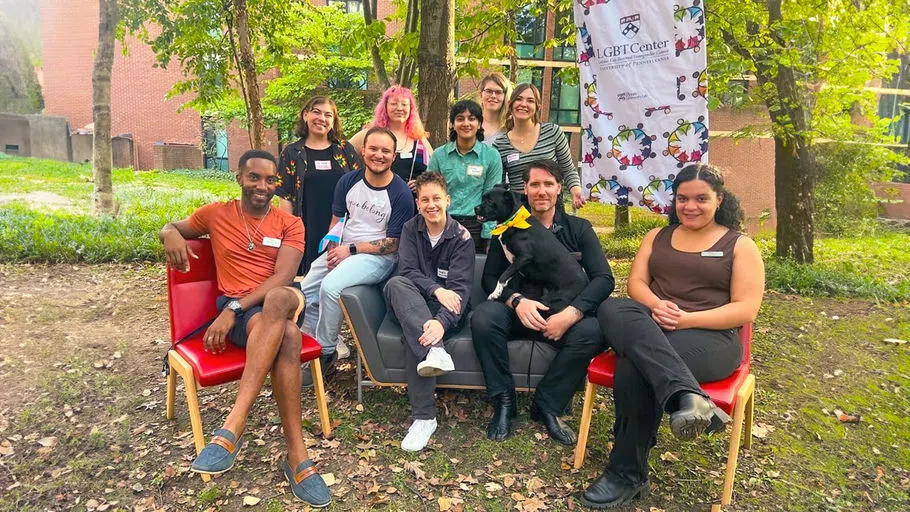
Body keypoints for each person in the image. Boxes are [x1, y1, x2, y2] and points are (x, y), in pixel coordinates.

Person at [580, 164, 765, 509]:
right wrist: (657, 305)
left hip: (711, 339)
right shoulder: (656, 237)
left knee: (634, 366)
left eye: (700, 199)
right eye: (682, 198)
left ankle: (626, 474)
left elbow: (745, 310)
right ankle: (686, 395)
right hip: (652, 326)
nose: (690, 206)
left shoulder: (739, 246)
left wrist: (687, 318)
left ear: (719, 199)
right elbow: (636, 285)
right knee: (610, 307)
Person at [159, 150, 330, 507]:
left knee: (279, 300)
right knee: (289, 336)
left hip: (275, 301)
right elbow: (176, 227)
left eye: (269, 180)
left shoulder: (289, 222)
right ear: (239, 177)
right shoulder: (215, 214)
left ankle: (234, 424)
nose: (262, 186)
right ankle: (297, 457)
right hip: (245, 314)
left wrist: (234, 307)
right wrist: (168, 233)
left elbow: (283, 277)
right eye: (254, 177)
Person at [471, 159, 614, 445]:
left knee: (594, 332)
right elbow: (490, 278)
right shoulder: (508, 227)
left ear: (559, 188)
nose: (542, 191)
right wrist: (516, 300)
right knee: (483, 318)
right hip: (519, 312)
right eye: (534, 184)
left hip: (560, 314)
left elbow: (603, 279)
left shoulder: (579, 229)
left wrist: (571, 315)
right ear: (524, 189)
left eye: (549, 184)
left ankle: (547, 405)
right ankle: (504, 402)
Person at [298, 127, 416, 386]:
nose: (379, 155)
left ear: (394, 156)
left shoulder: (401, 194)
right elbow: (337, 220)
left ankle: (325, 356)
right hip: (342, 248)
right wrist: (332, 246)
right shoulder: (348, 182)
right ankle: (310, 346)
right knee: (304, 292)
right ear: (363, 151)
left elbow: (393, 244)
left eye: (386, 151)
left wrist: (350, 250)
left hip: (377, 257)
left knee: (330, 288)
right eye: (373, 148)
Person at [383, 171, 475, 452]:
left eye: (437, 198)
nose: (431, 205)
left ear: (447, 200)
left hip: (448, 312)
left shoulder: (461, 237)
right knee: (396, 283)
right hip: (411, 302)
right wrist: (436, 290)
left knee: (420, 334)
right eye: (425, 199)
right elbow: (407, 271)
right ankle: (435, 348)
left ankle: (424, 418)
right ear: (418, 202)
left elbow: (459, 293)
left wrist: (440, 324)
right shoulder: (411, 229)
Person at [276, 96, 363, 275]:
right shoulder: (291, 153)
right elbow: (285, 198)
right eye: (316, 112)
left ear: (333, 121)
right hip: (306, 225)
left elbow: (360, 187)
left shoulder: (345, 150)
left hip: (342, 227)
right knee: (307, 279)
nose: (322, 118)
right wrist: (289, 234)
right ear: (305, 115)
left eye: (328, 115)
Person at [492, 83, 586, 209]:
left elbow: (568, 170)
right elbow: (500, 187)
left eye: (530, 101)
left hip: (551, 207)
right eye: (519, 99)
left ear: (538, 107)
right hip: (520, 211)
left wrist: (576, 191)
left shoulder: (552, 132)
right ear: (510, 103)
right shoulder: (500, 144)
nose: (523, 104)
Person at [427, 99, 502, 252]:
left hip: (476, 225)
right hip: (443, 222)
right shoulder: (439, 155)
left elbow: (492, 197)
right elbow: (430, 192)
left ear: (480, 123)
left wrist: (488, 235)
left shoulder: (491, 156)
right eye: (460, 118)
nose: (466, 123)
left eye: (472, 118)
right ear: (453, 124)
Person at [349, 86, 434, 192]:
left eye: (404, 104)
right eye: (394, 103)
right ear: (385, 107)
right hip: (376, 202)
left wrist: (423, 183)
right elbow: (344, 152)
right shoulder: (371, 134)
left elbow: (435, 170)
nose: (399, 108)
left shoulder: (419, 139)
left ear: (411, 109)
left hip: (412, 204)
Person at [477, 72, 512, 145]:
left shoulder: (510, 126)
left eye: (498, 92)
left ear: (505, 96)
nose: (493, 96)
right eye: (488, 91)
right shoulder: (470, 124)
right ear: (481, 94)